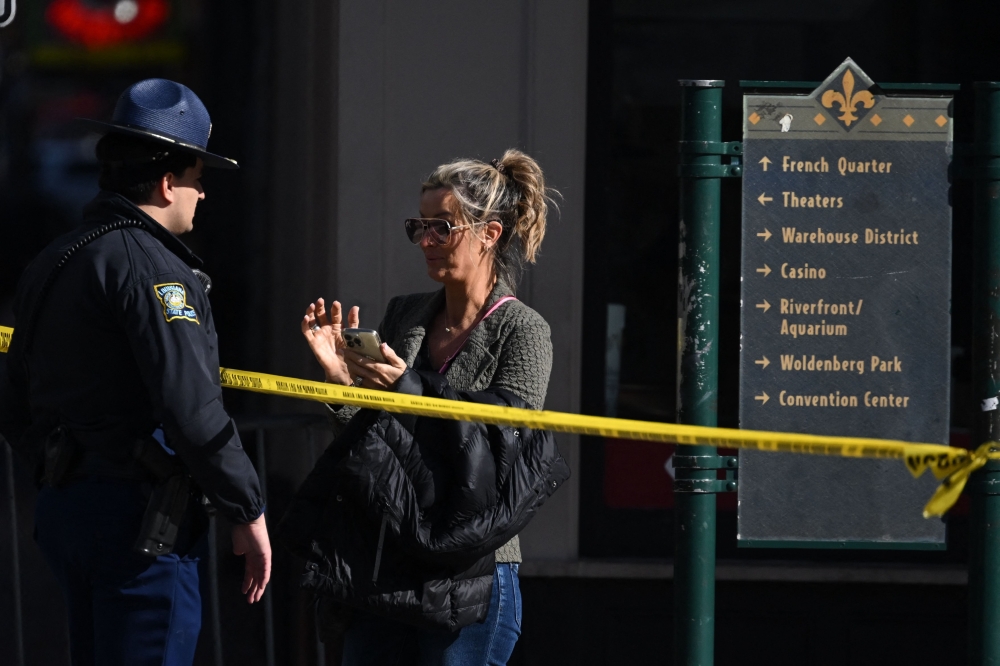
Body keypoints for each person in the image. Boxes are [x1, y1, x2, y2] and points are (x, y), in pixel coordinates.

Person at [0, 79, 270, 666]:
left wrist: (61, 473)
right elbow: (192, 407)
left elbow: (14, 398)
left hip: (70, 510)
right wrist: (247, 509)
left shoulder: (57, 259)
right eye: (199, 179)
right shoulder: (155, 271)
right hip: (141, 525)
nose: (203, 195)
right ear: (169, 180)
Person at [281, 149, 569, 665]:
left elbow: (503, 451)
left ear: (489, 233)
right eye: (419, 227)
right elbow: (373, 442)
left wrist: (410, 388)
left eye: (443, 227)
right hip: (389, 553)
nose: (427, 243)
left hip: (472, 567)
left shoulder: (524, 331)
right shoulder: (406, 314)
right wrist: (339, 385)